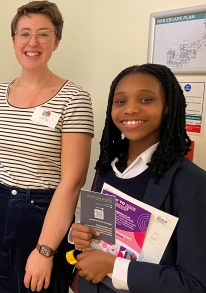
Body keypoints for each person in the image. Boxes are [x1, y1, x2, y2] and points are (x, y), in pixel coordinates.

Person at [0, 1, 94, 292]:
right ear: (13, 40)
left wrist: (45, 250)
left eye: (43, 34)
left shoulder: (74, 99)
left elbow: (72, 182)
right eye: (24, 33)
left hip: (41, 212)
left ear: (56, 41)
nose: (33, 42)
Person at [71, 64, 206, 292]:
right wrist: (80, 235)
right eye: (121, 101)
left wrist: (115, 266)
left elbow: (194, 284)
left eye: (146, 100)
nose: (130, 109)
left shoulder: (192, 183)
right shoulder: (106, 168)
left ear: (167, 107)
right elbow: (97, 239)